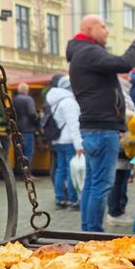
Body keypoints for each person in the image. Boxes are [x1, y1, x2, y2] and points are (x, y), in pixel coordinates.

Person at [66, 14, 135, 232]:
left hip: (95, 127)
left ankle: (87, 231)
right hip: (102, 129)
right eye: (102, 26)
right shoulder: (89, 51)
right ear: (89, 29)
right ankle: (93, 233)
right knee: (101, 185)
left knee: (93, 183)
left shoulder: (81, 52)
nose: (107, 30)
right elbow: (125, 63)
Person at [45, 75, 84, 210]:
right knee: (71, 171)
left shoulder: (56, 101)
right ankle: (74, 200)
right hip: (69, 141)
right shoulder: (69, 102)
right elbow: (74, 125)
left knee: (60, 170)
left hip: (58, 141)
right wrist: (79, 145)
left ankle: (60, 198)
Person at [106, 74, 135, 226]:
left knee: (122, 178)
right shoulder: (119, 93)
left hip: (125, 141)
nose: (130, 76)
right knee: (118, 179)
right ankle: (115, 212)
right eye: (127, 73)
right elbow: (125, 116)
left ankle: (118, 210)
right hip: (121, 141)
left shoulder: (122, 92)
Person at [12, 82, 39, 175]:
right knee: (28, 152)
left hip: (17, 129)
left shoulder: (14, 100)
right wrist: (38, 121)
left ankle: (20, 173)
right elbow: (32, 113)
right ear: (27, 90)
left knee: (20, 152)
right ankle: (27, 174)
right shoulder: (28, 99)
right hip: (28, 129)